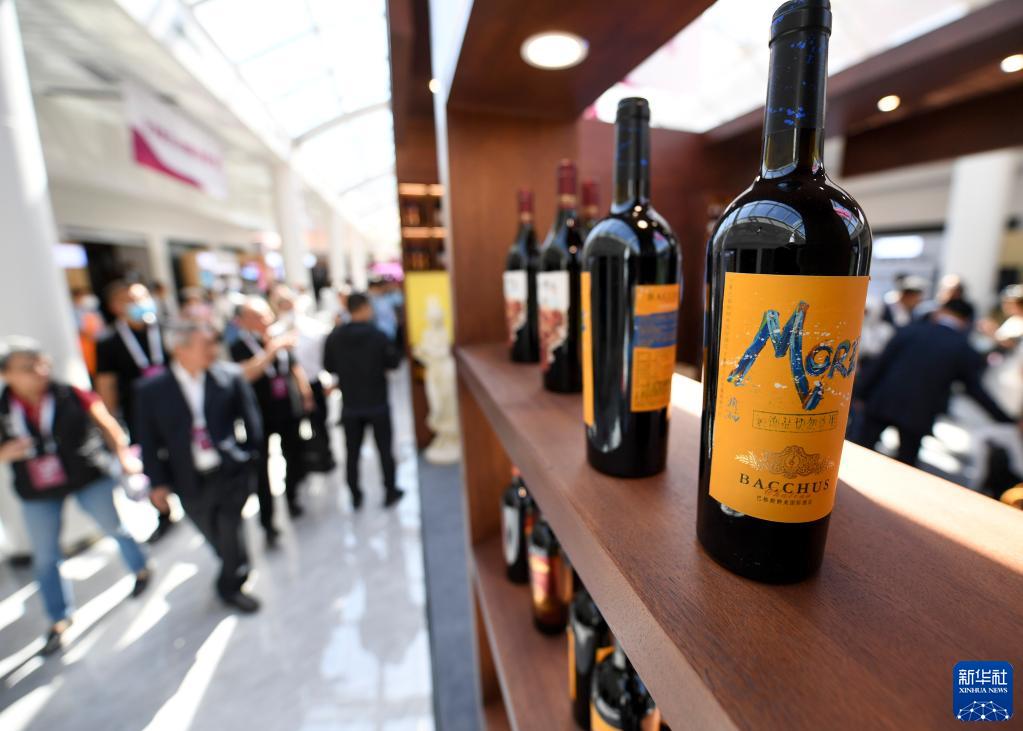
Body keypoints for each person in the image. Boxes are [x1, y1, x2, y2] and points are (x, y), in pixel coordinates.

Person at [0, 338, 151, 655]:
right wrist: (6, 452)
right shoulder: (4, 408)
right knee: (45, 557)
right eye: (28, 368)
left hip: (86, 475)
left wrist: (123, 456)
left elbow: (106, 423)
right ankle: (59, 619)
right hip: (36, 488)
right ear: (7, 374)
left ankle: (141, 568)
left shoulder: (68, 392)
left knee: (114, 527)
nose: (39, 372)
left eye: (42, 364)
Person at [133, 322, 262, 613]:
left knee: (231, 529)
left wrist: (250, 458)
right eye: (205, 344)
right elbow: (148, 441)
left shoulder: (229, 376)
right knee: (215, 536)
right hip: (188, 478)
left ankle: (230, 586)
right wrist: (157, 483)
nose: (213, 350)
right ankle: (233, 568)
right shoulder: (151, 391)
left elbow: (252, 421)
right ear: (180, 350)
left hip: (229, 471)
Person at [852, 299, 1016, 466]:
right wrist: (1006, 419)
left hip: (884, 400)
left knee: (861, 454)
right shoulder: (962, 347)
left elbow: (880, 364)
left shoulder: (911, 330)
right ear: (966, 321)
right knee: (905, 465)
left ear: (941, 311)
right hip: (920, 411)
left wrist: (860, 394)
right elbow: (974, 389)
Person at [94, 280, 175, 542]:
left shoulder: (166, 329)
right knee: (149, 461)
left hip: (175, 407)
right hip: (138, 414)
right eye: (130, 300)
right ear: (115, 307)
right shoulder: (108, 341)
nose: (139, 304)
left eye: (142, 297)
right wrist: (112, 421)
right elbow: (106, 384)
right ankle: (163, 511)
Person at [230, 297, 313, 546]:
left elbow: (294, 367)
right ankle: (267, 523)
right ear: (243, 321)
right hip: (259, 415)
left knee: (294, 454)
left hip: (287, 408)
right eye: (257, 316)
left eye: (266, 313)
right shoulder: (238, 346)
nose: (265, 319)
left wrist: (305, 392)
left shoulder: (278, 337)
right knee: (262, 469)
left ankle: (292, 497)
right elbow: (245, 374)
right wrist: (272, 350)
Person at [324, 292, 404, 509]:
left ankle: (355, 494)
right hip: (377, 402)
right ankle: (390, 490)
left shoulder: (336, 336)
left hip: (351, 404)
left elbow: (329, 365)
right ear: (364, 308)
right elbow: (393, 362)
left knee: (352, 453)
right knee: (384, 450)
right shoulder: (378, 335)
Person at [269, 284, 336, 474]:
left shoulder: (313, 327)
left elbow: (325, 356)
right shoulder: (275, 332)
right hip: (289, 389)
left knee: (320, 424)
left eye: (287, 301)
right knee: (292, 430)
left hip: (314, 382)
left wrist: (330, 379)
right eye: (280, 302)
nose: (285, 306)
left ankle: (324, 458)